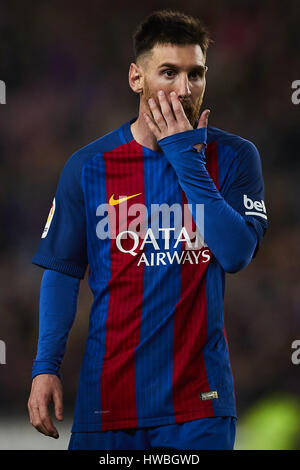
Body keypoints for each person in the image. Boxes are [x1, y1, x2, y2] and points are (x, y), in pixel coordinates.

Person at [27, 9, 268, 450]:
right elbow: (62, 271)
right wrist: (46, 367)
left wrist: (186, 160)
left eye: (196, 74)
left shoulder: (235, 157)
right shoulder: (88, 166)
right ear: (136, 78)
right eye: (169, 72)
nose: (184, 88)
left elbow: (236, 254)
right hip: (108, 403)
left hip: (200, 407)